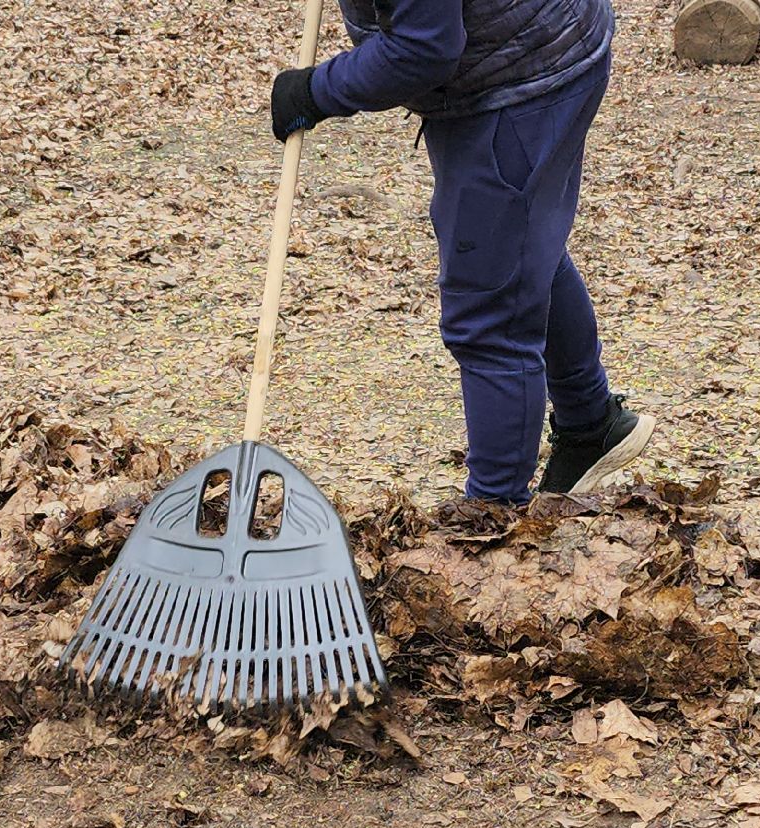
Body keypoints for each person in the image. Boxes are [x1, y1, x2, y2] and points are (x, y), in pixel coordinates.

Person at [271, 0, 653, 505]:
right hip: (526, 52)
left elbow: (423, 48)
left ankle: (493, 519)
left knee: (489, 307)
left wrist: (317, 90)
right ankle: (589, 422)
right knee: (518, 251)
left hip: (519, 75)